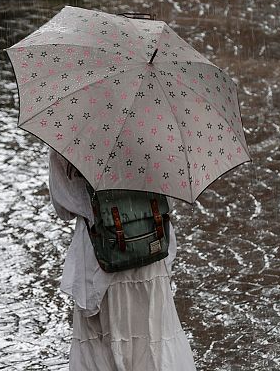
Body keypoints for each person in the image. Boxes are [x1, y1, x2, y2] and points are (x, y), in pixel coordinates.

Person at [48, 150, 196, 371]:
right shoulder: (157, 127)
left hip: (100, 257)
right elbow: (171, 197)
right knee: (154, 336)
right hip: (149, 246)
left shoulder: (71, 134)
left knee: (104, 345)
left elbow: (63, 206)